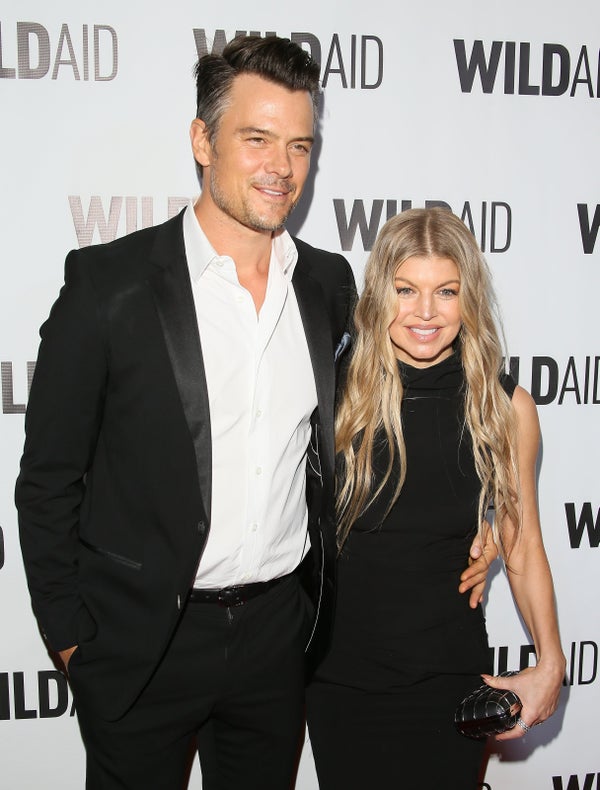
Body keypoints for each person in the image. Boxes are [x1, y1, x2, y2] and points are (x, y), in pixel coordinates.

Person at [15, 37, 492, 790]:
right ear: (202, 141)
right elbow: (47, 482)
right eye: (257, 139)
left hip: (276, 644)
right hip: (141, 647)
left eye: (299, 146)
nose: (282, 167)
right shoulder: (109, 287)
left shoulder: (328, 286)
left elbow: (418, 379)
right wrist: (74, 643)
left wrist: (486, 510)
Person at [306, 207, 566, 790]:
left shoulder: (503, 407)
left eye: (446, 291)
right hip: (341, 680)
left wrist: (550, 661)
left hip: (449, 679)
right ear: (379, 294)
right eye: (406, 290)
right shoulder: (332, 392)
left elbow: (524, 546)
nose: (425, 312)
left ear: (468, 298)